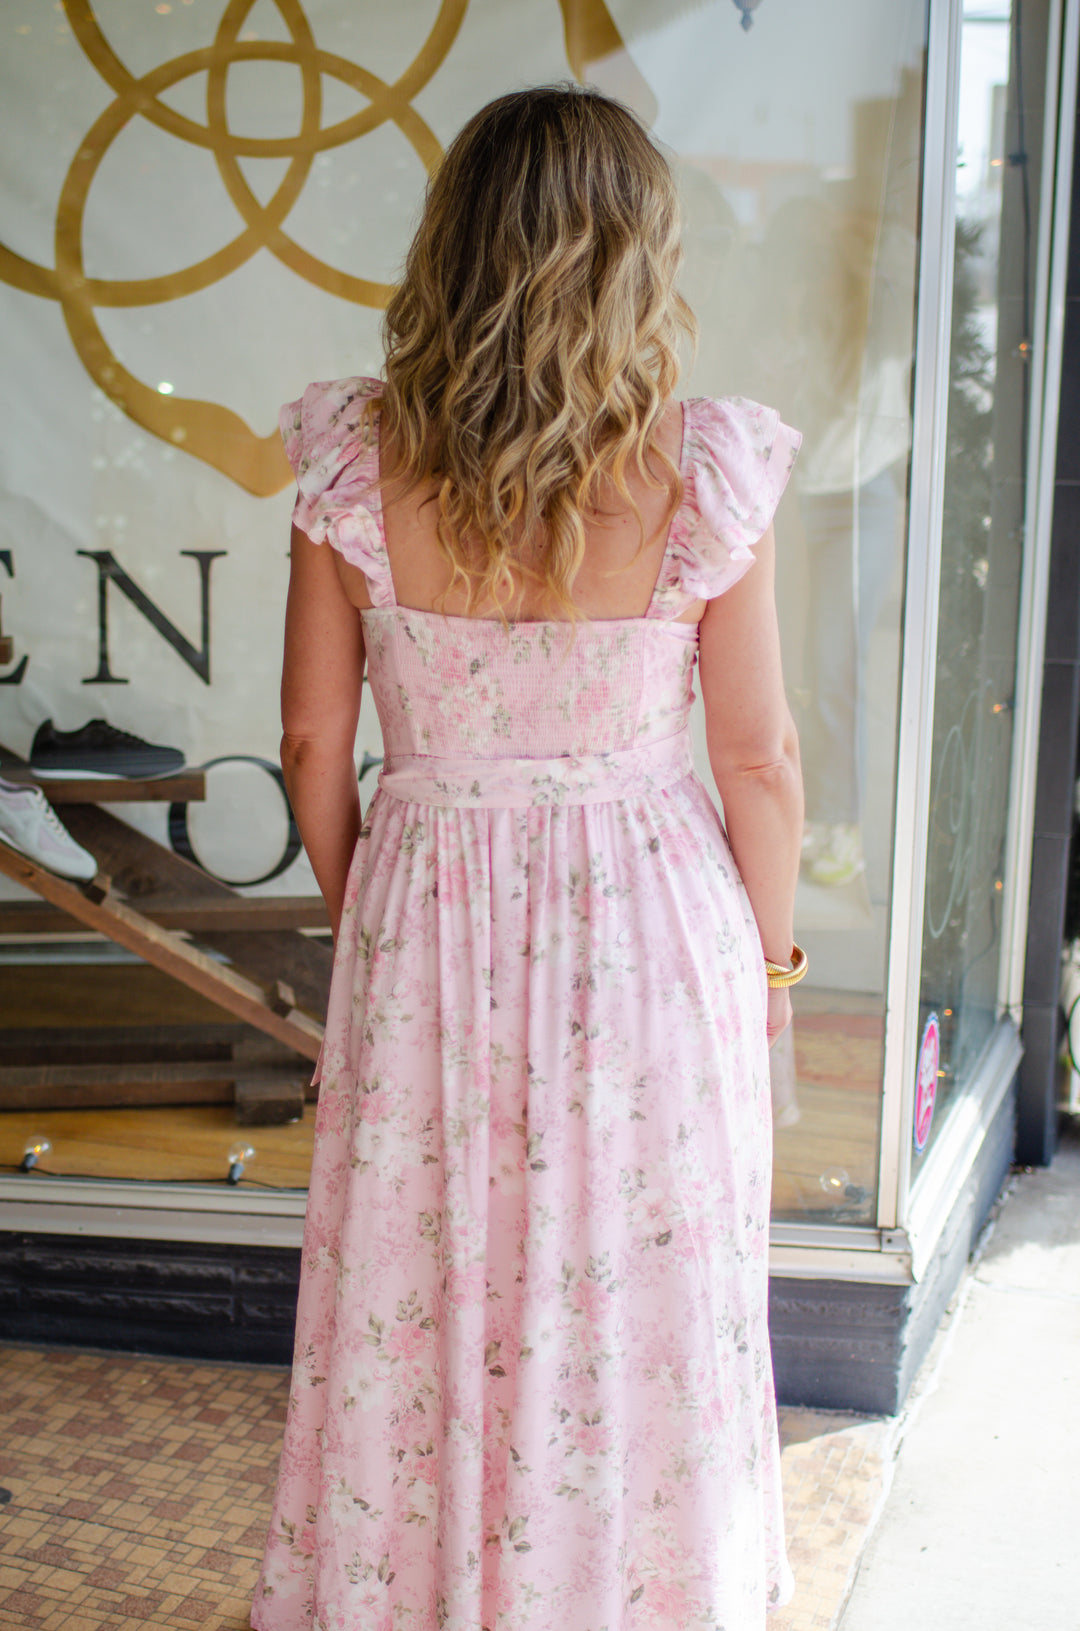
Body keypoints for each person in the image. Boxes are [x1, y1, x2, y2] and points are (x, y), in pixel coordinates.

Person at [252, 85, 804, 1631]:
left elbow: (309, 743)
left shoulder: (355, 459)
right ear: (638, 257)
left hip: (424, 905)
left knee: (422, 1277)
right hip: (652, 927)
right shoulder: (703, 467)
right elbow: (758, 760)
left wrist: (373, 920)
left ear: (449, 245)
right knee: (636, 1280)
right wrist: (767, 972)